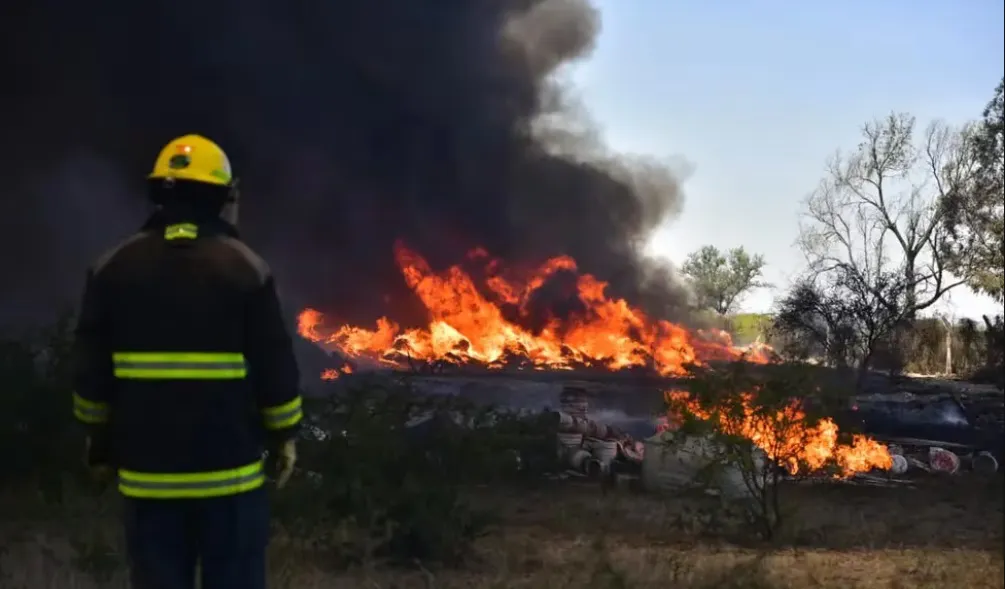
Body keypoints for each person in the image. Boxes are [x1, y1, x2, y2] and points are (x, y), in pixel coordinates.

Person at [71, 134, 303, 589]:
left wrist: (98, 445)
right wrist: (284, 439)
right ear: (221, 197)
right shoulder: (246, 268)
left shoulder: (112, 268)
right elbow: (274, 366)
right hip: (229, 479)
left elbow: (91, 376)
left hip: (148, 480)